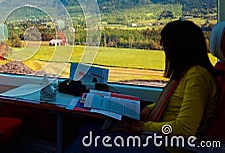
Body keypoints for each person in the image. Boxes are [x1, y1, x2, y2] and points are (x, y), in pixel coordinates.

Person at [66, 20, 219, 152]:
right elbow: (174, 104)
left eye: (166, 45)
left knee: (87, 138)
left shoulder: (197, 77)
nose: (162, 47)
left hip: (165, 147)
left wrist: (143, 127)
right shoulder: (187, 73)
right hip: (156, 139)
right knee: (89, 128)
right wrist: (148, 109)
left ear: (179, 49)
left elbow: (184, 129)